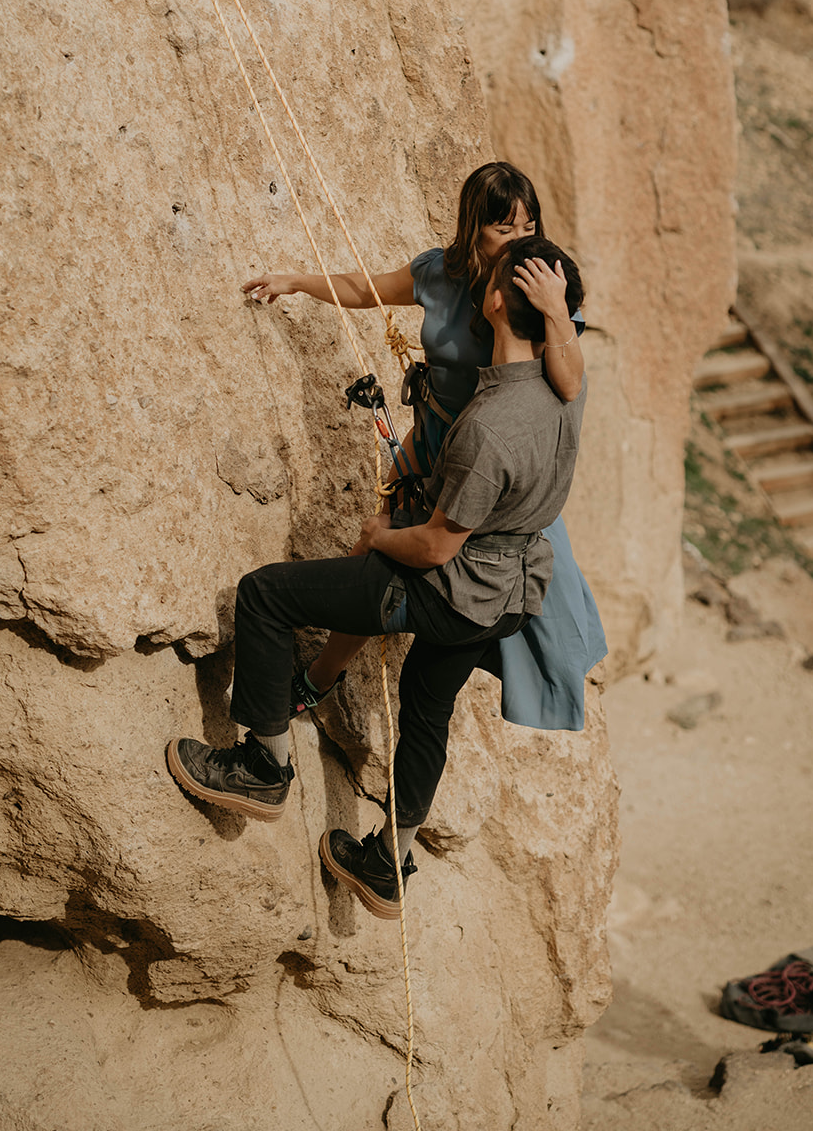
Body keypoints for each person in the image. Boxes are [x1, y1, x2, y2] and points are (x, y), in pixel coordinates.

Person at [167, 238, 590, 918]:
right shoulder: (566, 389)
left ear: (490, 302)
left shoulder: (489, 428)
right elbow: (564, 352)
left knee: (266, 595)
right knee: (427, 707)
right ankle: (385, 863)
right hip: (509, 596)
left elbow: (431, 550)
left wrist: (377, 536)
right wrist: (555, 310)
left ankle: (261, 769)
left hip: (448, 590)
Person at [241, 161, 606, 730]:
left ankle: (330, 683)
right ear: (472, 228)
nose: (522, 239)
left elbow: (569, 383)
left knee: (525, 617)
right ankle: (319, 681)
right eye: (504, 229)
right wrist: (296, 282)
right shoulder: (440, 273)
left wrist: (558, 309)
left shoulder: (537, 287)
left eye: (528, 225)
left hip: (491, 465)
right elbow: (366, 288)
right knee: (376, 562)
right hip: (434, 447)